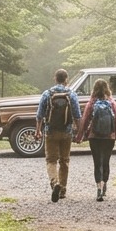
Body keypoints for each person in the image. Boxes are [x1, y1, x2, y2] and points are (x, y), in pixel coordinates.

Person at [74, 78, 116, 201]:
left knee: (97, 162)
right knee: (106, 161)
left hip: (94, 137)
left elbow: (84, 121)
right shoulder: (112, 103)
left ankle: (98, 189)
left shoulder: (91, 103)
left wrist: (80, 136)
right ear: (107, 88)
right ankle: (105, 184)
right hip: (109, 137)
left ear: (94, 89)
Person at [36, 68, 80, 202]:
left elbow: (39, 115)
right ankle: (62, 190)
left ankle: (55, 183)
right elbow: (77, 116)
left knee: (51, 160)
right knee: (64, 161)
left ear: (55, 78)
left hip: (50, 131)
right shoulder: (71, 94)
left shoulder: (47, 94)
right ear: (66, 79)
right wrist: (79, 131)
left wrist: (38, 130)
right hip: (66, 132)